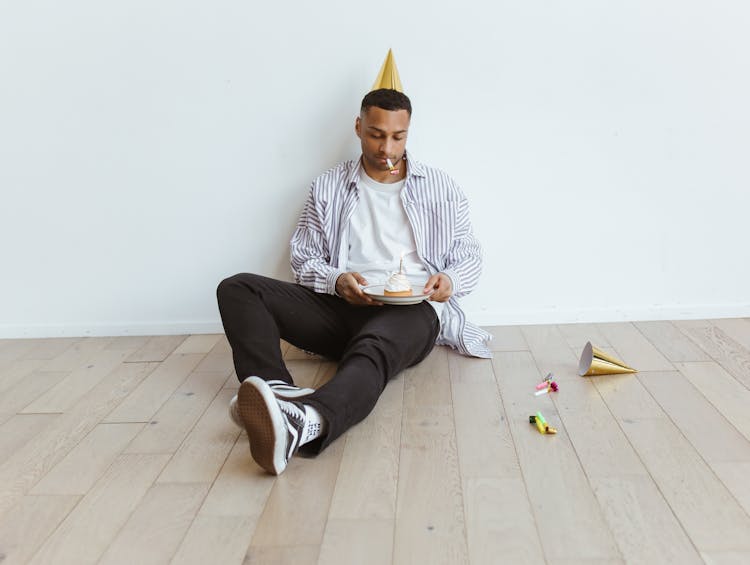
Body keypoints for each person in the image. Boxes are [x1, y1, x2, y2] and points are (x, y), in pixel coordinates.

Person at [216, 85, 491, 475]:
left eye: (398, 136)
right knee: (238, 288)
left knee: (372, 351)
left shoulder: (440, 187)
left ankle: (309, 421)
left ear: (408, 133)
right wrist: (336, 279)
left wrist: (450, 279)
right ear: (359, 127)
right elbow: (303, 256)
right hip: (343, 307)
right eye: (377, 134)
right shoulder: (328, 186)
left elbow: (469, 254)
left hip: (413, 310)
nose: (387, 148)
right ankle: (277, 394)